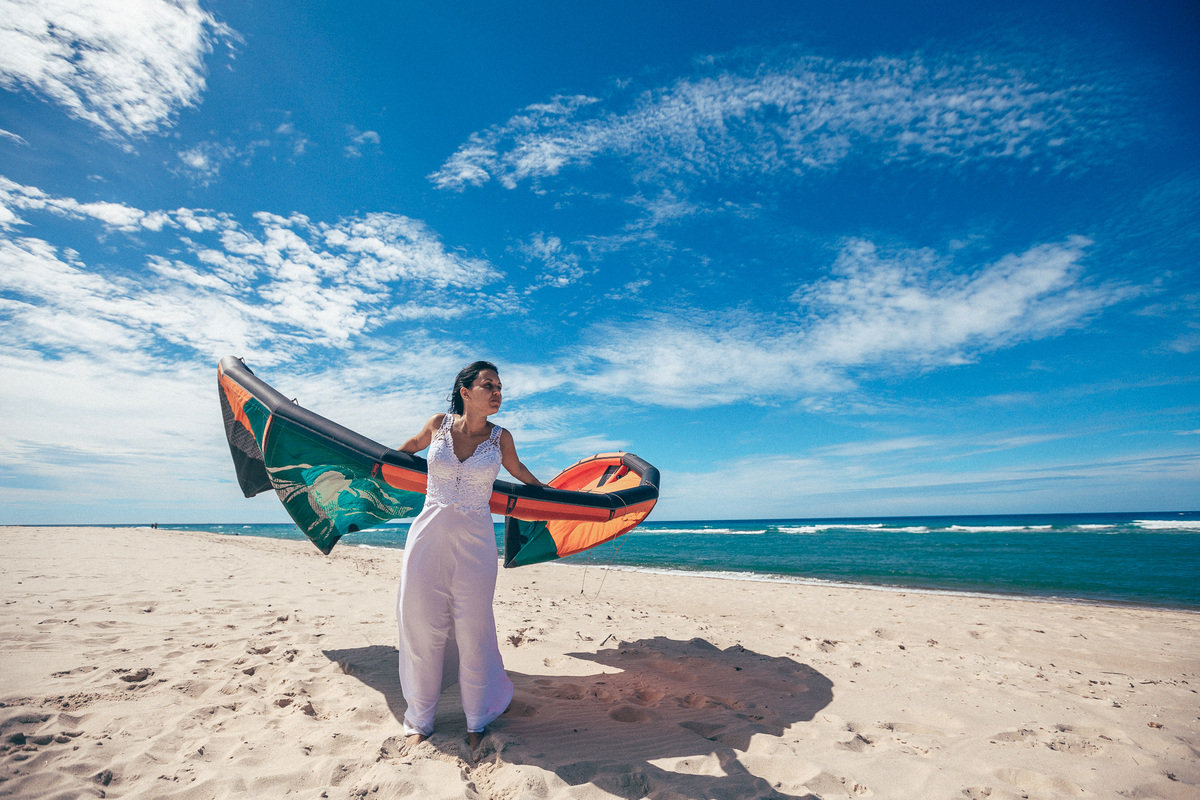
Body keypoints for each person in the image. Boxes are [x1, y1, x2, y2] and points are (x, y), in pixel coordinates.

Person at [395, 360, 543, 752]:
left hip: (476, 545)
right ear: (465, 392)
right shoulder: (438, 424)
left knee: (473, 629)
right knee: (421, 624)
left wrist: (556, 499)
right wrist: (369, 467)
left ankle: (477, 719)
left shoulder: (500, 438)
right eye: (488, 385)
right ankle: (420, 719)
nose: (497, 393)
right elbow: (407, 449)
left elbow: (521, 473)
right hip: (427, 539)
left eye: (499, 387)